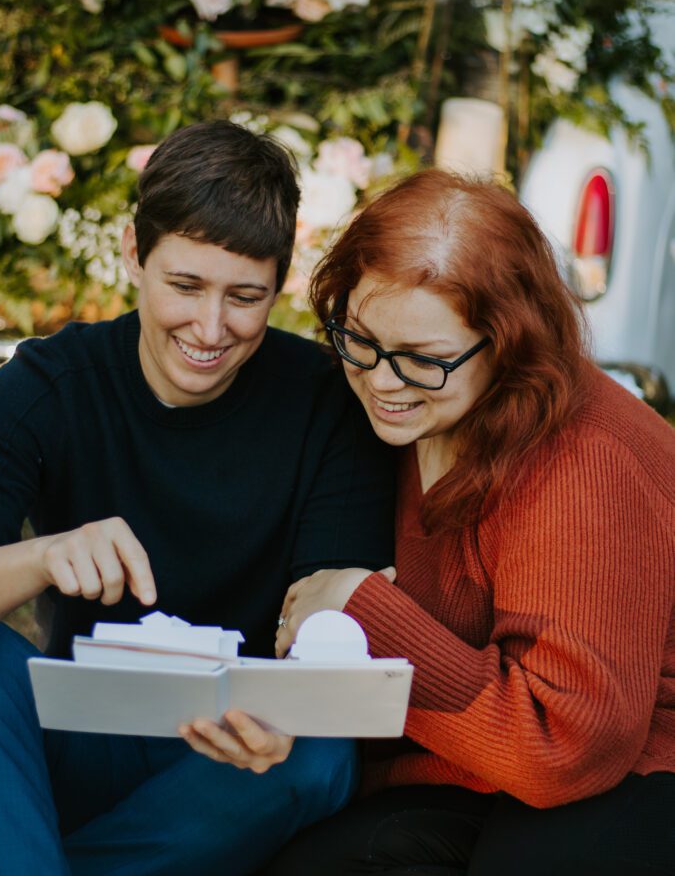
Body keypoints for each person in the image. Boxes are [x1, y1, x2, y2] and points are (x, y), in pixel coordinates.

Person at [0, 120, 396, 876]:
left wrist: (300, 706)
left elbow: (336, 610)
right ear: (132, 254)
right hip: (85, 730)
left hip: (241, 746)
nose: (209, 329)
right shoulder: (50, 384)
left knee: (320, 752)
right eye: (184, 286)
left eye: (245, 297)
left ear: (279, 284)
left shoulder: (324, 402)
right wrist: (45, 555)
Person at [264, 169, 675, 876]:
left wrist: (359, 608)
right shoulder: (390, 413)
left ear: (510, 345)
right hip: (474, 765)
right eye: (357, 338)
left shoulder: (583, 460)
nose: (382, 381)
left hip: (631, 762)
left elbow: (565, 744)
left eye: (423, 360)